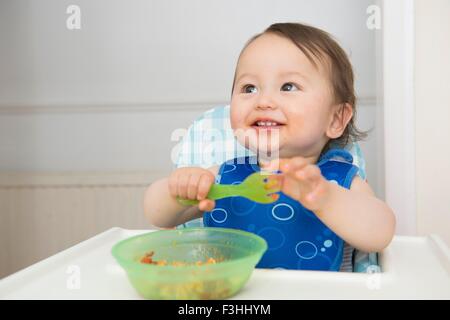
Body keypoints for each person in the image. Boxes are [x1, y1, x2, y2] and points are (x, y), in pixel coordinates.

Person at [144, 22, 395, 271]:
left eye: (288, 86)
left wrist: (326, 199)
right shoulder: (225, 177)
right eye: (249, 88)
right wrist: (182, 188)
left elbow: (380, 233)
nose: (263, 100)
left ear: (336, 119)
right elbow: (157, 214)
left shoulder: (338, 181)